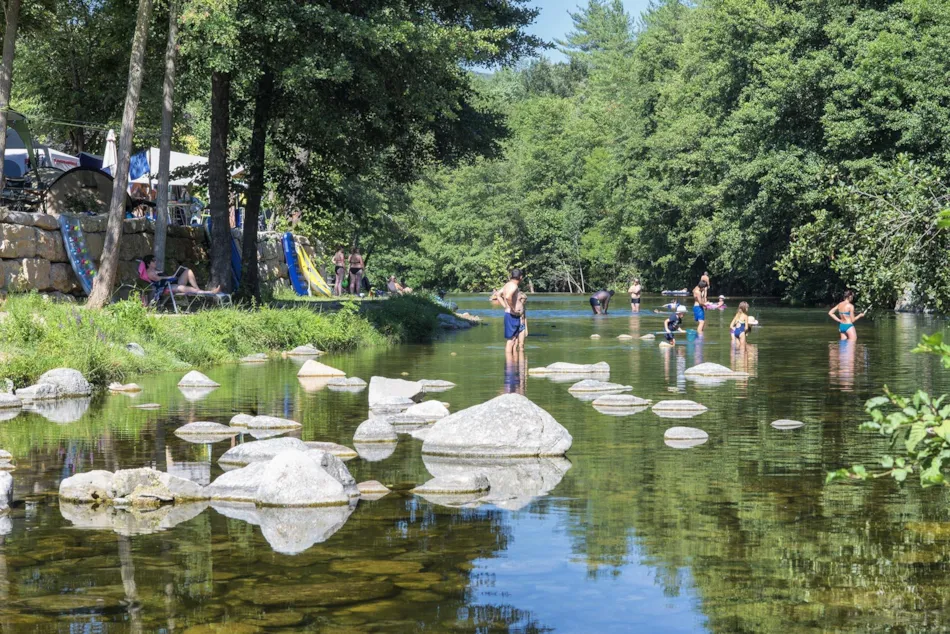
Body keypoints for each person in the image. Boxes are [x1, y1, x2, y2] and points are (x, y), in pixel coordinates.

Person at [142, 255, 220, 295]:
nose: (155, 262)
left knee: (188, 271)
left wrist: (172, 277)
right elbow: (157, 279)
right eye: (153, 261)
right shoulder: (149, 272)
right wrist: (168, 277)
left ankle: (198, 290)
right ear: (148, 263)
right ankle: (210, 293)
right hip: (166, 287)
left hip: (172, 283)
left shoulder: (155, 270)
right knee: (189, 289)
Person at [500, 269, 525, 354]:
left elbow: (498, 295)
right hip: (512, 315)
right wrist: (513, 308)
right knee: (511, 341)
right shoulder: (514, 286)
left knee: (513, 340)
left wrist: (505, 306)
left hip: (511, 314)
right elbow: (507, 296)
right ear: (520, 277)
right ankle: (509, 364)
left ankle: (511, 364)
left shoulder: (507, 285)